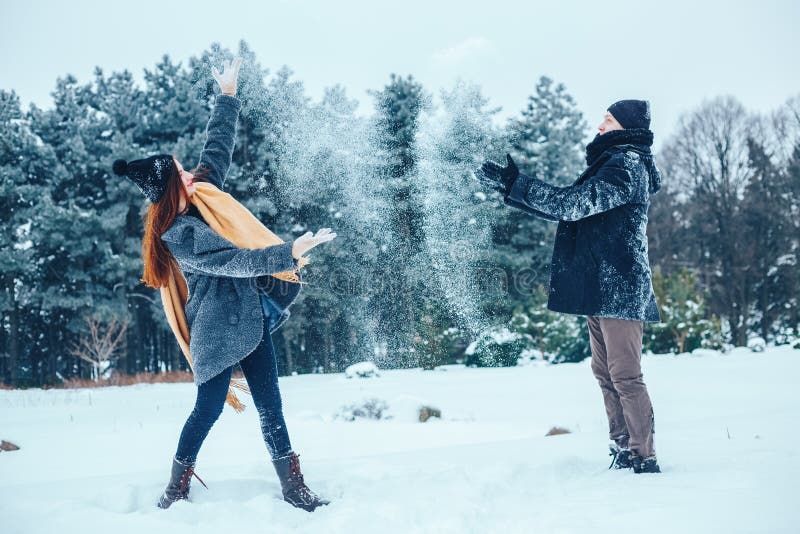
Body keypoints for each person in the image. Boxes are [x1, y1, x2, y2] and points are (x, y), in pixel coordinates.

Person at [112, 58, 336, 509]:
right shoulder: (180, 234)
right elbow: (233, 262)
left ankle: (293, 487)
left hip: (249, 321)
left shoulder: (205, 194)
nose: (191, 172)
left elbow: (217, 148)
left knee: (271, 405)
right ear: (174, 188)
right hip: (214, 330)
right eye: (182, 172)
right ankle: (176, 485)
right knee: (208, 410)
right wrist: (286, 254)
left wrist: (228, 96)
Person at [475, 100, 663, 474]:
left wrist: (516, 184)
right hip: (602, 284)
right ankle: (623, 446)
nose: (599, 127)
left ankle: (644, 454)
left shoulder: (626, 166)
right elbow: (568, 207)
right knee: (605, 372)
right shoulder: (613, 163)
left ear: (624, 126)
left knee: (625, 374)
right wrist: (512, 188)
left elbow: (575, 204)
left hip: (619, 286)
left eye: (607, 121)